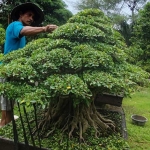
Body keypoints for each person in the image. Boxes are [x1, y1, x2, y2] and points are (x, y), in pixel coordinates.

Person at [0, 2, 58, 127]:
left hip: (14, 70)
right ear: (21, 14)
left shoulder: (22, 34)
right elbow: (24, 31)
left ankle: (7, 124)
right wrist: (44, 29)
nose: (31, 19)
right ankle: (4, 130)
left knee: (9, 104)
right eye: (29, 15)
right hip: (7, 70)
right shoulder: (15, 25)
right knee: (6, 106)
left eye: (33, 17)